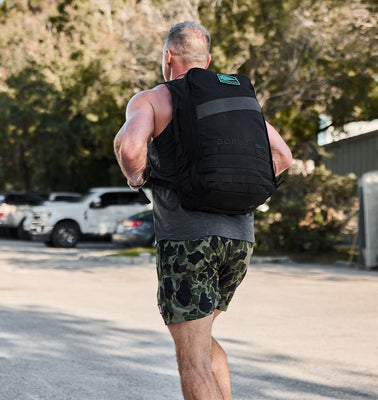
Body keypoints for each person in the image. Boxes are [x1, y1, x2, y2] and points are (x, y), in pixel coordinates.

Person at [114, 21, 292, 400]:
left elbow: (130, 150)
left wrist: (137, 179)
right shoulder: (237, 103)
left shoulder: (152, 98)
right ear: (207, 60)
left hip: (187, 241)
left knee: (191, 358)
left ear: (168, 57)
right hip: (240, 240)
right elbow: (284, 156)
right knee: (203, 341)